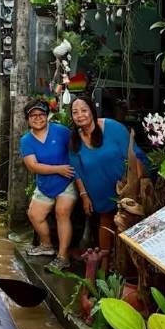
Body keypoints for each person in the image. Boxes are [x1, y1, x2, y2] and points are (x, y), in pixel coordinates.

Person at [69, 91, 137, 256]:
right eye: (75, 112)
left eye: (84, 110)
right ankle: (104, 265)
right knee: (105, 221)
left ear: (92, 110)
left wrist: (133, 184)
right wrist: (84, 196)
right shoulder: (74, 140)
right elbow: (76, 170)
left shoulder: (113, 127)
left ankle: (123, 265)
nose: (80, 115)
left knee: (127, 222)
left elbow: (133, 155)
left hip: (125, 189)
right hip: (99, 193)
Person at [19, 98, 76, 264]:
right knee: (34, 215)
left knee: (62, 212)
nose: (38, 118)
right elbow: (33, 166)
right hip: (45, 184)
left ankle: (63, 256)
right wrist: (58, 169)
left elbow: (77, 149)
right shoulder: (26, 140)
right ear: (28, 119)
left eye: (41, 114)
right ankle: (46, 245)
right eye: (33, 116)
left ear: (47, 116)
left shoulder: (62, 131)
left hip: (67, 181)